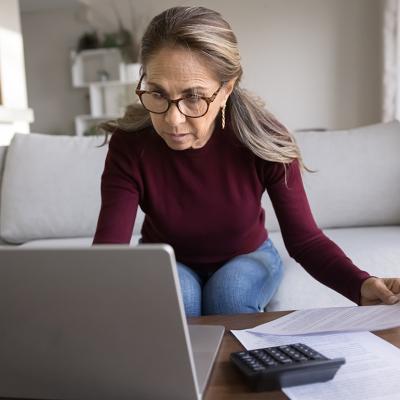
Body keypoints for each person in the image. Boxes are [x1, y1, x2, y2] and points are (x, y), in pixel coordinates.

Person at [93, 6, 400, 317]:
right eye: (158, 93)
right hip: (169, 258)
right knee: (180, 300)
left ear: (226, 88)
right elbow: (110, 253)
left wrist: (361, 284)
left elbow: (304, 240)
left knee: (229, 295)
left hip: (248, 254)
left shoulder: (266, 138)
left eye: (194, 97)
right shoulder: (130, 145)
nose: (173, 119)